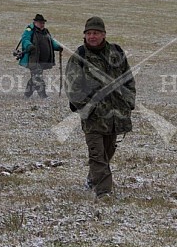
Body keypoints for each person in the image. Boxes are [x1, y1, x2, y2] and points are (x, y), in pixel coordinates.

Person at [65, 16, 136, 199]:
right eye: (88, 33)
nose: (92, 36)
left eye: (95, 33)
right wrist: (87, 108)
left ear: (103, 34)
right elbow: (73, 88)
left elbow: (128, 79)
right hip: (93, 118)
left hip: (114, 116)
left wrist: (129, 102)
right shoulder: (79, 57)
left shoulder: (116, 53)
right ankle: (103, 192)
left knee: (108, 151)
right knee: (97, 155)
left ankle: (92, 178)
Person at [19, 14, 63, 98]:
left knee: (34, 78)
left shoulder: (45, 31)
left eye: (43, 23)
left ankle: (26, 95)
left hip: (43, 59)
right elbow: (25, 39)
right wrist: (29, 46)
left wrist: (57, 47)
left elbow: (51, 41)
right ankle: (43, 96)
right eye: (40, 23)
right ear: (35, 22)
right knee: (37, 77)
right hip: (33, 59)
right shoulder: (29, 30)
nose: (42, 24)